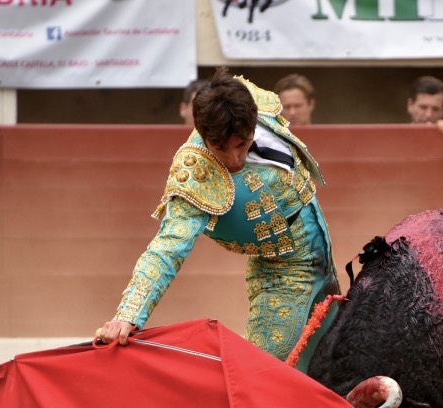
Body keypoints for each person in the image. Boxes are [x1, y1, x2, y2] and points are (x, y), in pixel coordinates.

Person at [98, 67, 340, 372]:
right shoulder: (195, 173)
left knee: (333, 364)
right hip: (281, 270)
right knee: (263, 374)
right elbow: (167, 248)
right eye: (220, 149)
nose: (234, 159)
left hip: (321, 251)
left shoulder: (245, 100)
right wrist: (129, 314)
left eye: (241, 144)